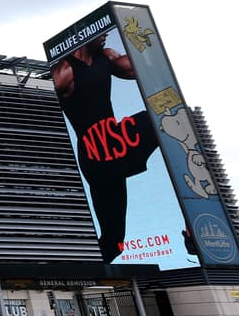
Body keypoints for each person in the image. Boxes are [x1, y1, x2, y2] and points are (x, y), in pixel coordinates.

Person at [52, 33, 160, 263]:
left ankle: (191, 230)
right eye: (99, 34)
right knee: (115, 243)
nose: (105, 36)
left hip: (117, 143)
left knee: (162, 117)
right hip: (96, 156)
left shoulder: (105, 57)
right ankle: (82, 270)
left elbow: (137, 68)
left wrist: (140, 36)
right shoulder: (64, 71)